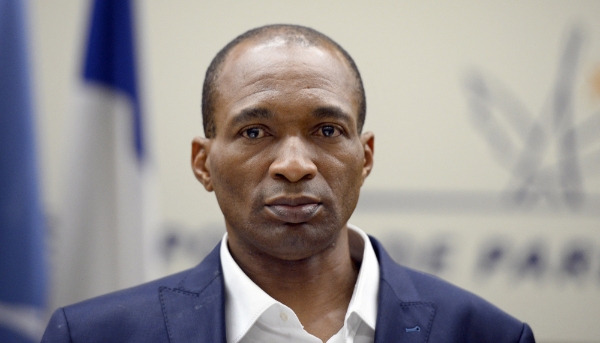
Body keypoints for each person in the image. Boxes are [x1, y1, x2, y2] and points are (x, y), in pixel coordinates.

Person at [41, 24, 535, 343]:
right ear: (203, 163)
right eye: (255, 132)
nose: (294, 165)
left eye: (326, 131)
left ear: (365, 158)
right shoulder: (92, 336)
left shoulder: (485, 334)